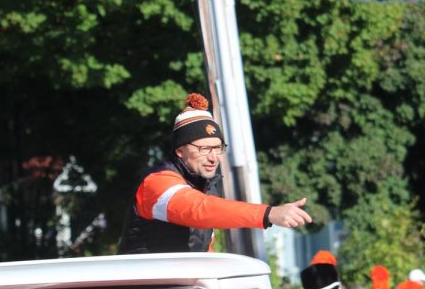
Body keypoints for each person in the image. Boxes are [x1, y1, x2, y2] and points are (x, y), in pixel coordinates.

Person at [118, 93, 311, 254]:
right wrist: (269, 213)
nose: (214, 158)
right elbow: (197, 209)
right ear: (180, 151)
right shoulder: (157, 182)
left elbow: (203, 248)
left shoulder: (205, 185)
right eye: (204, 149)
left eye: (218, 148)